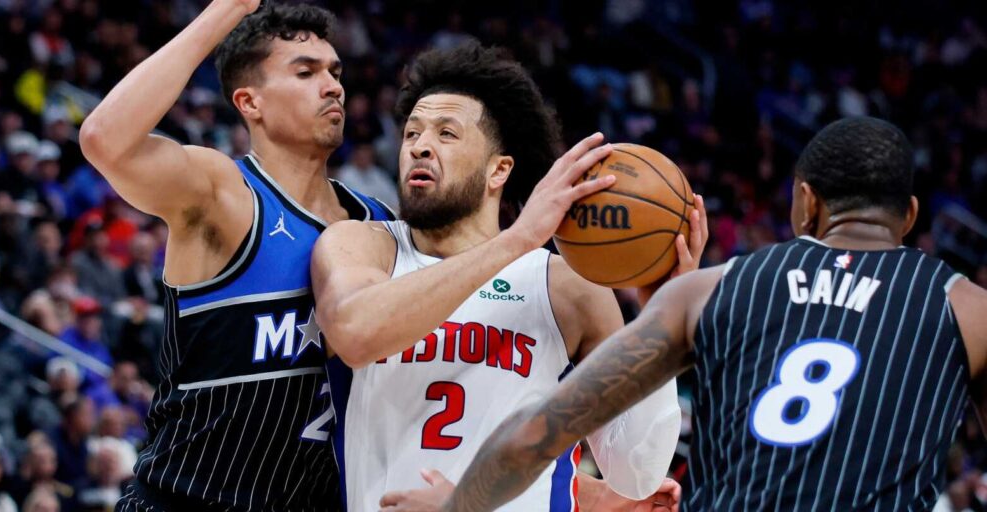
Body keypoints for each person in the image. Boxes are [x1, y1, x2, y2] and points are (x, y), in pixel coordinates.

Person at [403, 117, 987, 511]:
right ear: (908, 216)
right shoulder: (967, 308)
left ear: (805, 202)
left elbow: (537, 434)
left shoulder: (711, 291)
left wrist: (457, 505)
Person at [311, 43, 699, 511]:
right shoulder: (364, 245)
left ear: (499, 170)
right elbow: (356, 333)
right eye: (412, 132)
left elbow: (636, 473)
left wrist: (660, 316)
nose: (419, 145)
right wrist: (516, 240)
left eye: (447, 133)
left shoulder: (565, 287)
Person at [79, 0, 396, 510]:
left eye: (335, 71)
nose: (333, 85)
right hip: (182, 501)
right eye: (306, 71)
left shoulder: (379, 219)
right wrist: (229, 9)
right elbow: (104, 139)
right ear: (250, 103)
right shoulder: (225, 193)